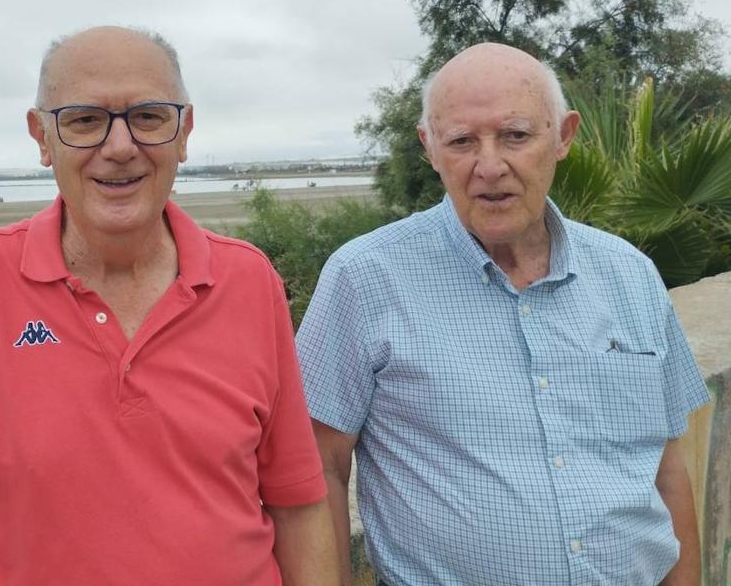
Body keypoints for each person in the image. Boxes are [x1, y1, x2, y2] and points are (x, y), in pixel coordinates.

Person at [0, 26, 337, 585]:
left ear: (184, 132)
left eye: (149, 117)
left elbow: (296, 499)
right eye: (85, 121)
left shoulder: (248, 280)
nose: (120, 146)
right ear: (41, 138)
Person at [296, 43, 710, 586]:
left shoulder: (630, 274)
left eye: (516, 135)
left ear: (563, 136)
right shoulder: (365, 277)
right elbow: (317, 466)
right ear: (430, 147)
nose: (489, 167)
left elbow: (665, 467)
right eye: (462, 141)